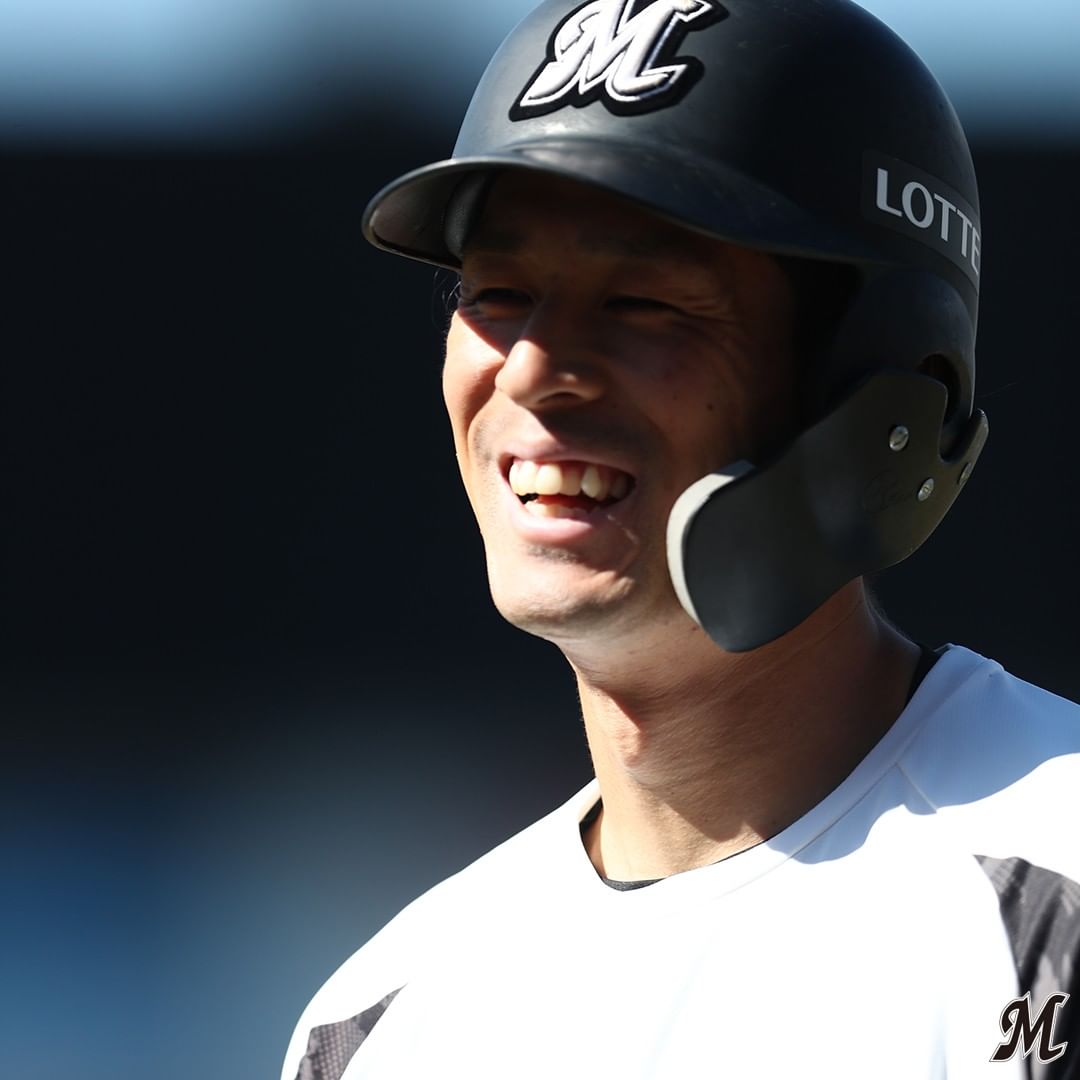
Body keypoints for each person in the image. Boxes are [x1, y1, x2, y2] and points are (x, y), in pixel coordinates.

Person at [281, 0, 1080, 1076]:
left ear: (877, 390)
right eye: (500, 294)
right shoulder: (380, 1027)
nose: (532, 371)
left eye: (644, 301)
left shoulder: (1055, 890)